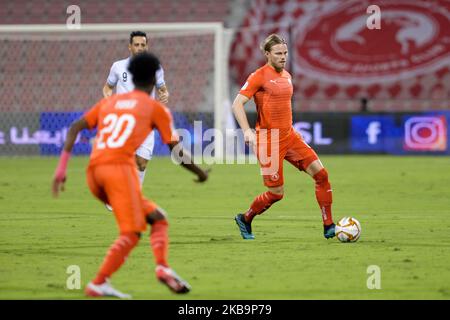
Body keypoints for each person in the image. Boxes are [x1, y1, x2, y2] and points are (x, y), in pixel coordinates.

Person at [52, 53, 209, 298]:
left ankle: (162, 268)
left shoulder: (109, 103)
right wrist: (201, 173)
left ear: (132, 76)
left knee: (157, 218)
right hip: (118, 172)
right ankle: (98, 283)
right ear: (153, 78)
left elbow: (74, 128)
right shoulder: (155, 109)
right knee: (133, 231)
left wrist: (61, 170)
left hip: (94, 174)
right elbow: (176, 152)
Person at [231, 34, 335, 240]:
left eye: (285, 53)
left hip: (290, 136)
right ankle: (246, 218)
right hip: (268, 141)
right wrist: (247, 131)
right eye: (278, 53)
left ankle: (328, 225)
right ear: (267, 54)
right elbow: (237, 104)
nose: (283, 57)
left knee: (322, 175)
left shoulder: (287, 76)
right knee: (276, 193)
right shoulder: (258, 76)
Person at [102, 31, 171, 193]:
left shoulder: (156, 68)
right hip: (123, 121)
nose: (140, 48)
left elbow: (162, 88)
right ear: (130, 47)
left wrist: (164, 94)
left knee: (142, 162)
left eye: (143, 45)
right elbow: (107, 88)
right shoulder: (118, 67)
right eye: (136, 45)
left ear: (147, 46)